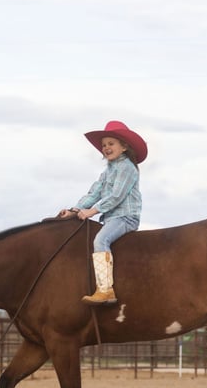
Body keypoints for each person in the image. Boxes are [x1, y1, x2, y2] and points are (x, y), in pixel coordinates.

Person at [59, 120, 148, 305]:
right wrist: (74, 211)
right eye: (104, 145)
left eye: (111, 144)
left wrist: (92, 211)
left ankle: (105, 290)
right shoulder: (108, 170)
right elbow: (95, 192)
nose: (106, 148)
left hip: (125, 217)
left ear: (124, 147)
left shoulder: (127, 168)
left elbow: (116, 196)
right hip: (111, 218)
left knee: (101, 240)